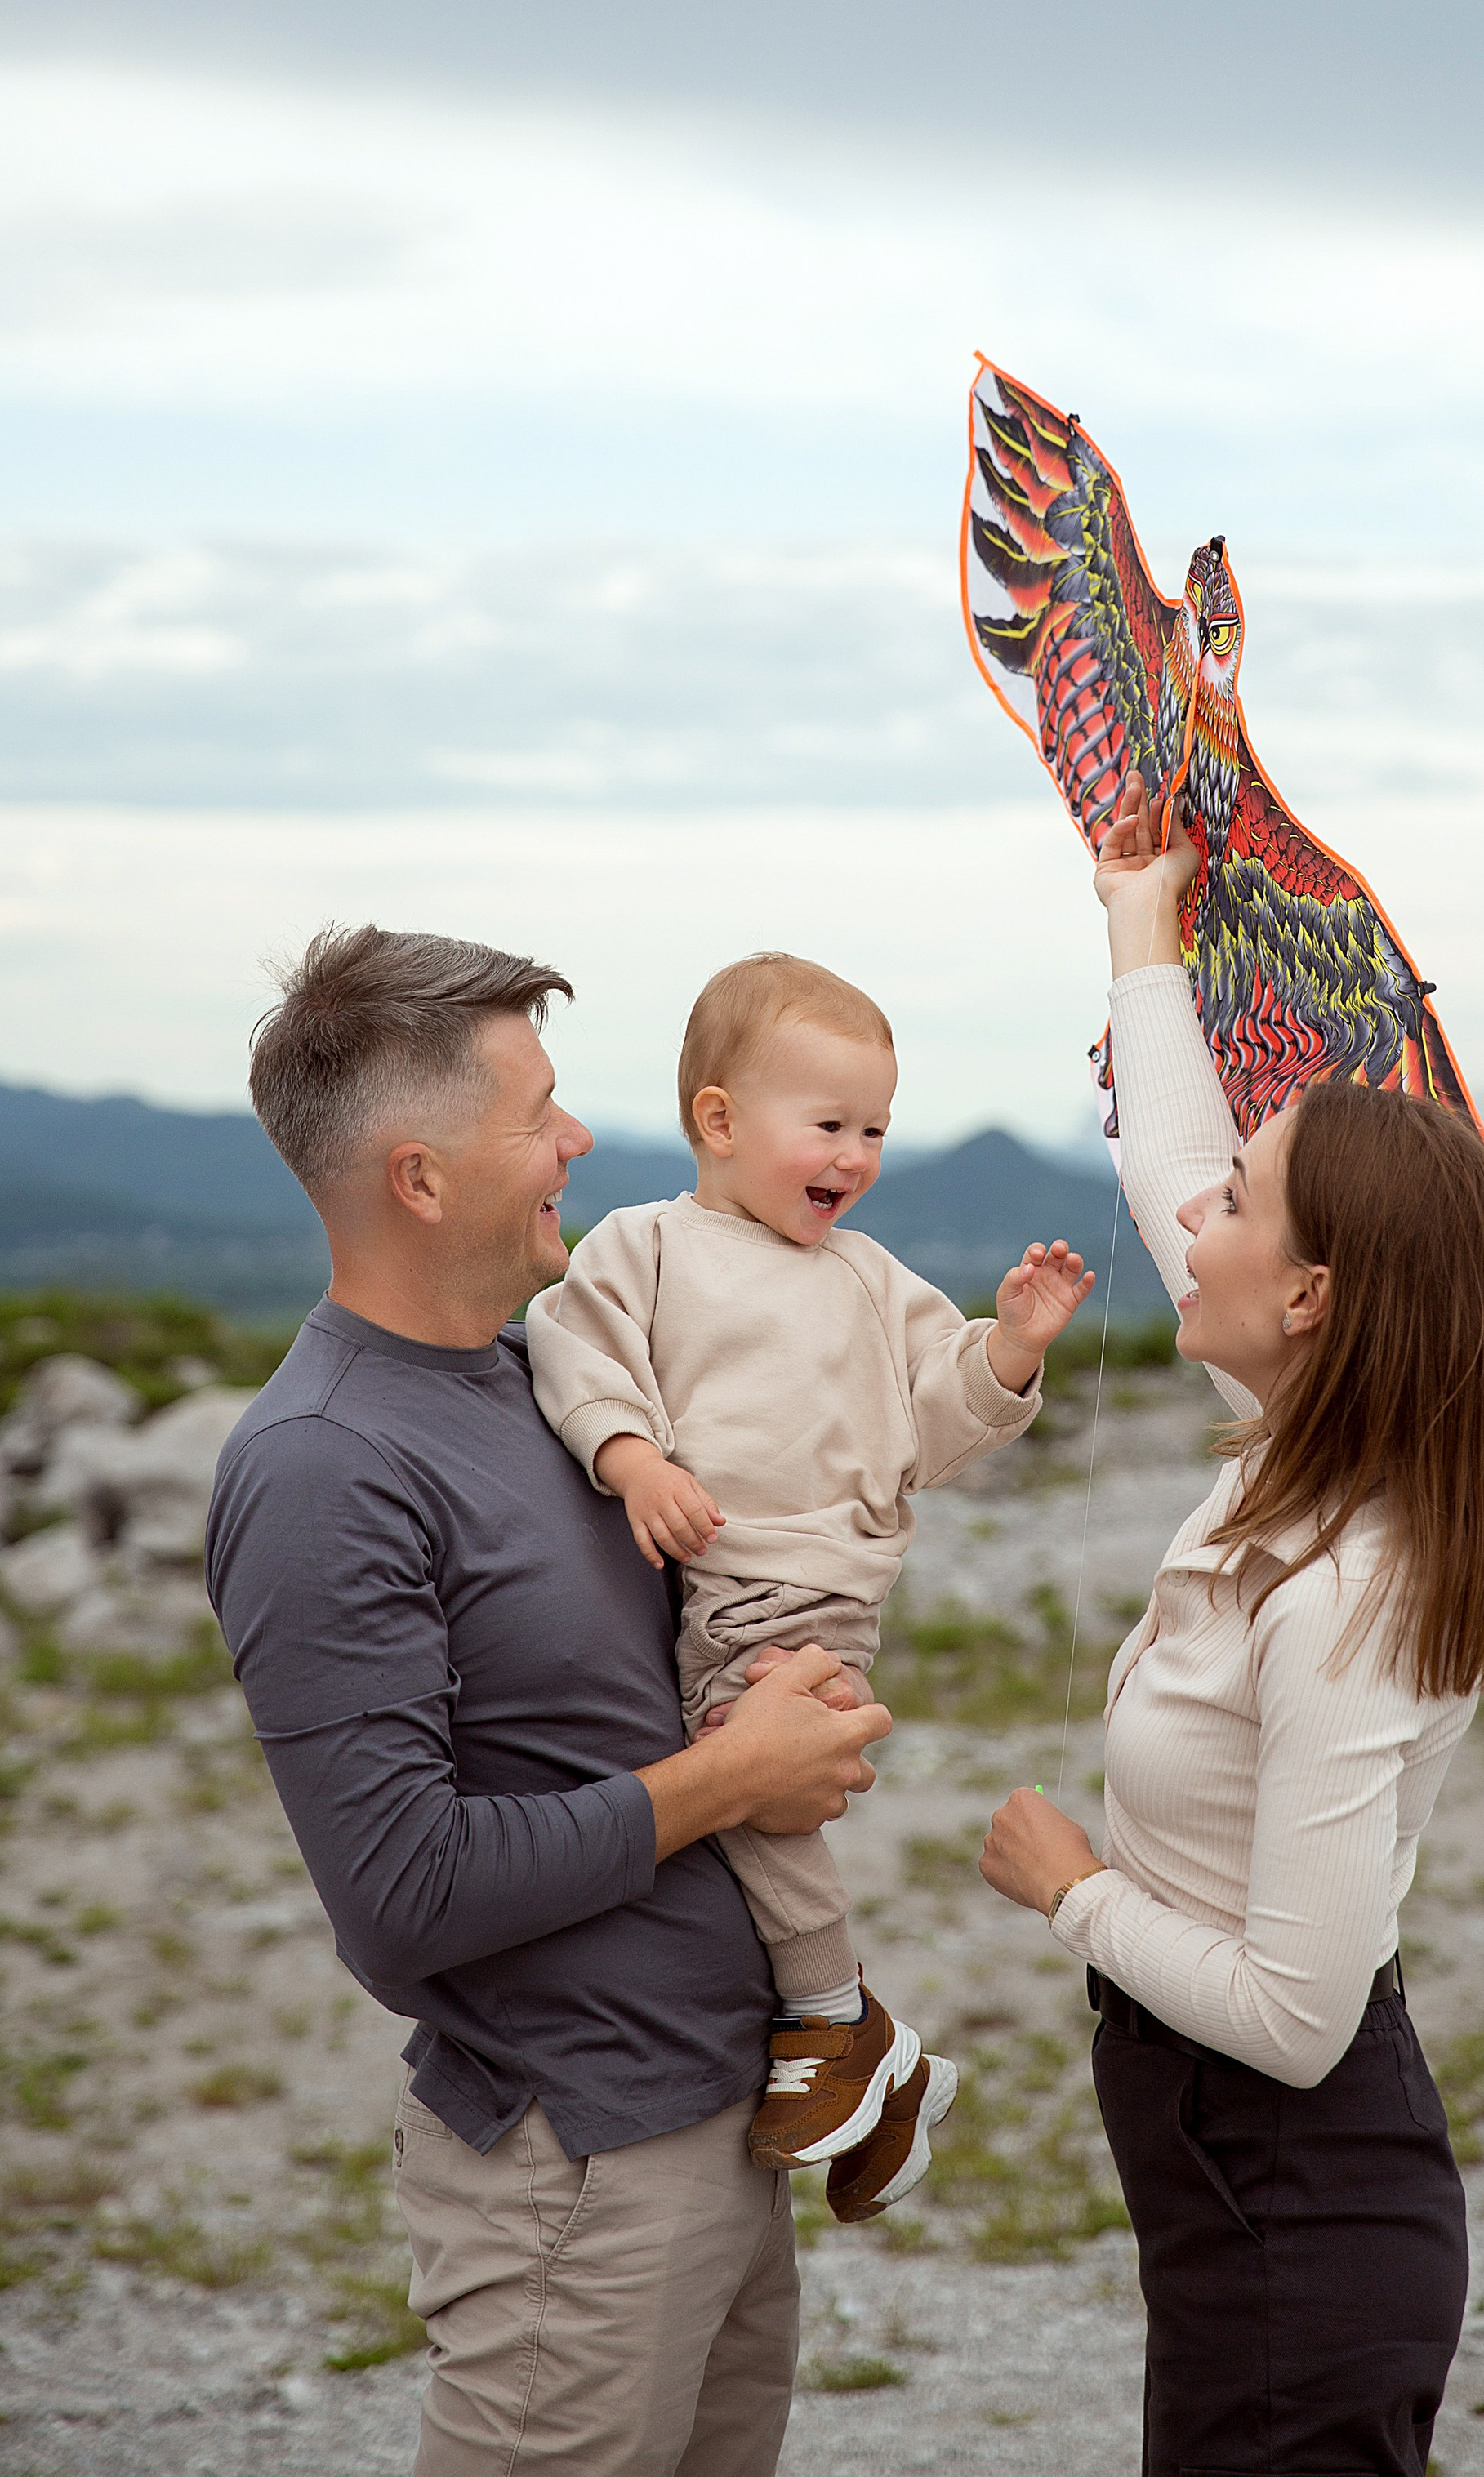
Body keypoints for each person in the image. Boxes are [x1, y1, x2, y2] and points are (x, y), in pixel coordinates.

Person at [203, 924, 893, 2477]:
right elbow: (402, 1895)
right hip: (569, 2175)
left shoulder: (552, 1383)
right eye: (538, 1114)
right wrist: (735, 1781)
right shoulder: (323, 1465)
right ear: (420, 1179)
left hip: (719, 2121)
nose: (581, 1137)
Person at [978, 778, 1484, 2477]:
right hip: (1243, 2187)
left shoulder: (1350, 1585)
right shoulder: (1302, 1433)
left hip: (1299, 2201)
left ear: (1306, 1297)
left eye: (1242, 1202)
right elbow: (1169, 1161)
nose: (1192, 1218)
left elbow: (1296, 2015)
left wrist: (1066, 1887)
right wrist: (1134, 919)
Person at [524, 950, 1094, 2222]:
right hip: (719, 1573)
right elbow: (573, 1343)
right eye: (828, 1124)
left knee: (748, 1786)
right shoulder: (648, 1247)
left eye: (875, 1129)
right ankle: (863, 2061)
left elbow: (936, 1424)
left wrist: (1005, 1348)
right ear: (719, 1121)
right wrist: (630, 1459)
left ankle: (837, 2024)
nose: (856, 1154)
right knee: (743, 1805)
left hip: (812, 1590)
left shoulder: (871, 1279)